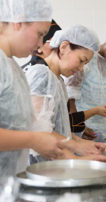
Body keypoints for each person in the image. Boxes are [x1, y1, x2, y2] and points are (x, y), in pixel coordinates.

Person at [25, 25, 106, 164]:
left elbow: (59, 129)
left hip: (54, 166)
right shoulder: (41, 76)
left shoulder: (57, 80)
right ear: (64, 47)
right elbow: (38, 131)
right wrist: (76, 159)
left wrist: (80, 142)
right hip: (40, 168)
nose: (81, 68)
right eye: (81, 60)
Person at [0, 0, 68, 175]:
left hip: (10, 184)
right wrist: (33, 139)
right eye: (40, 34)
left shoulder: (13, 68)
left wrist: (73, 148)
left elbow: (23, 124)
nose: (40, 44)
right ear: (18, 22)